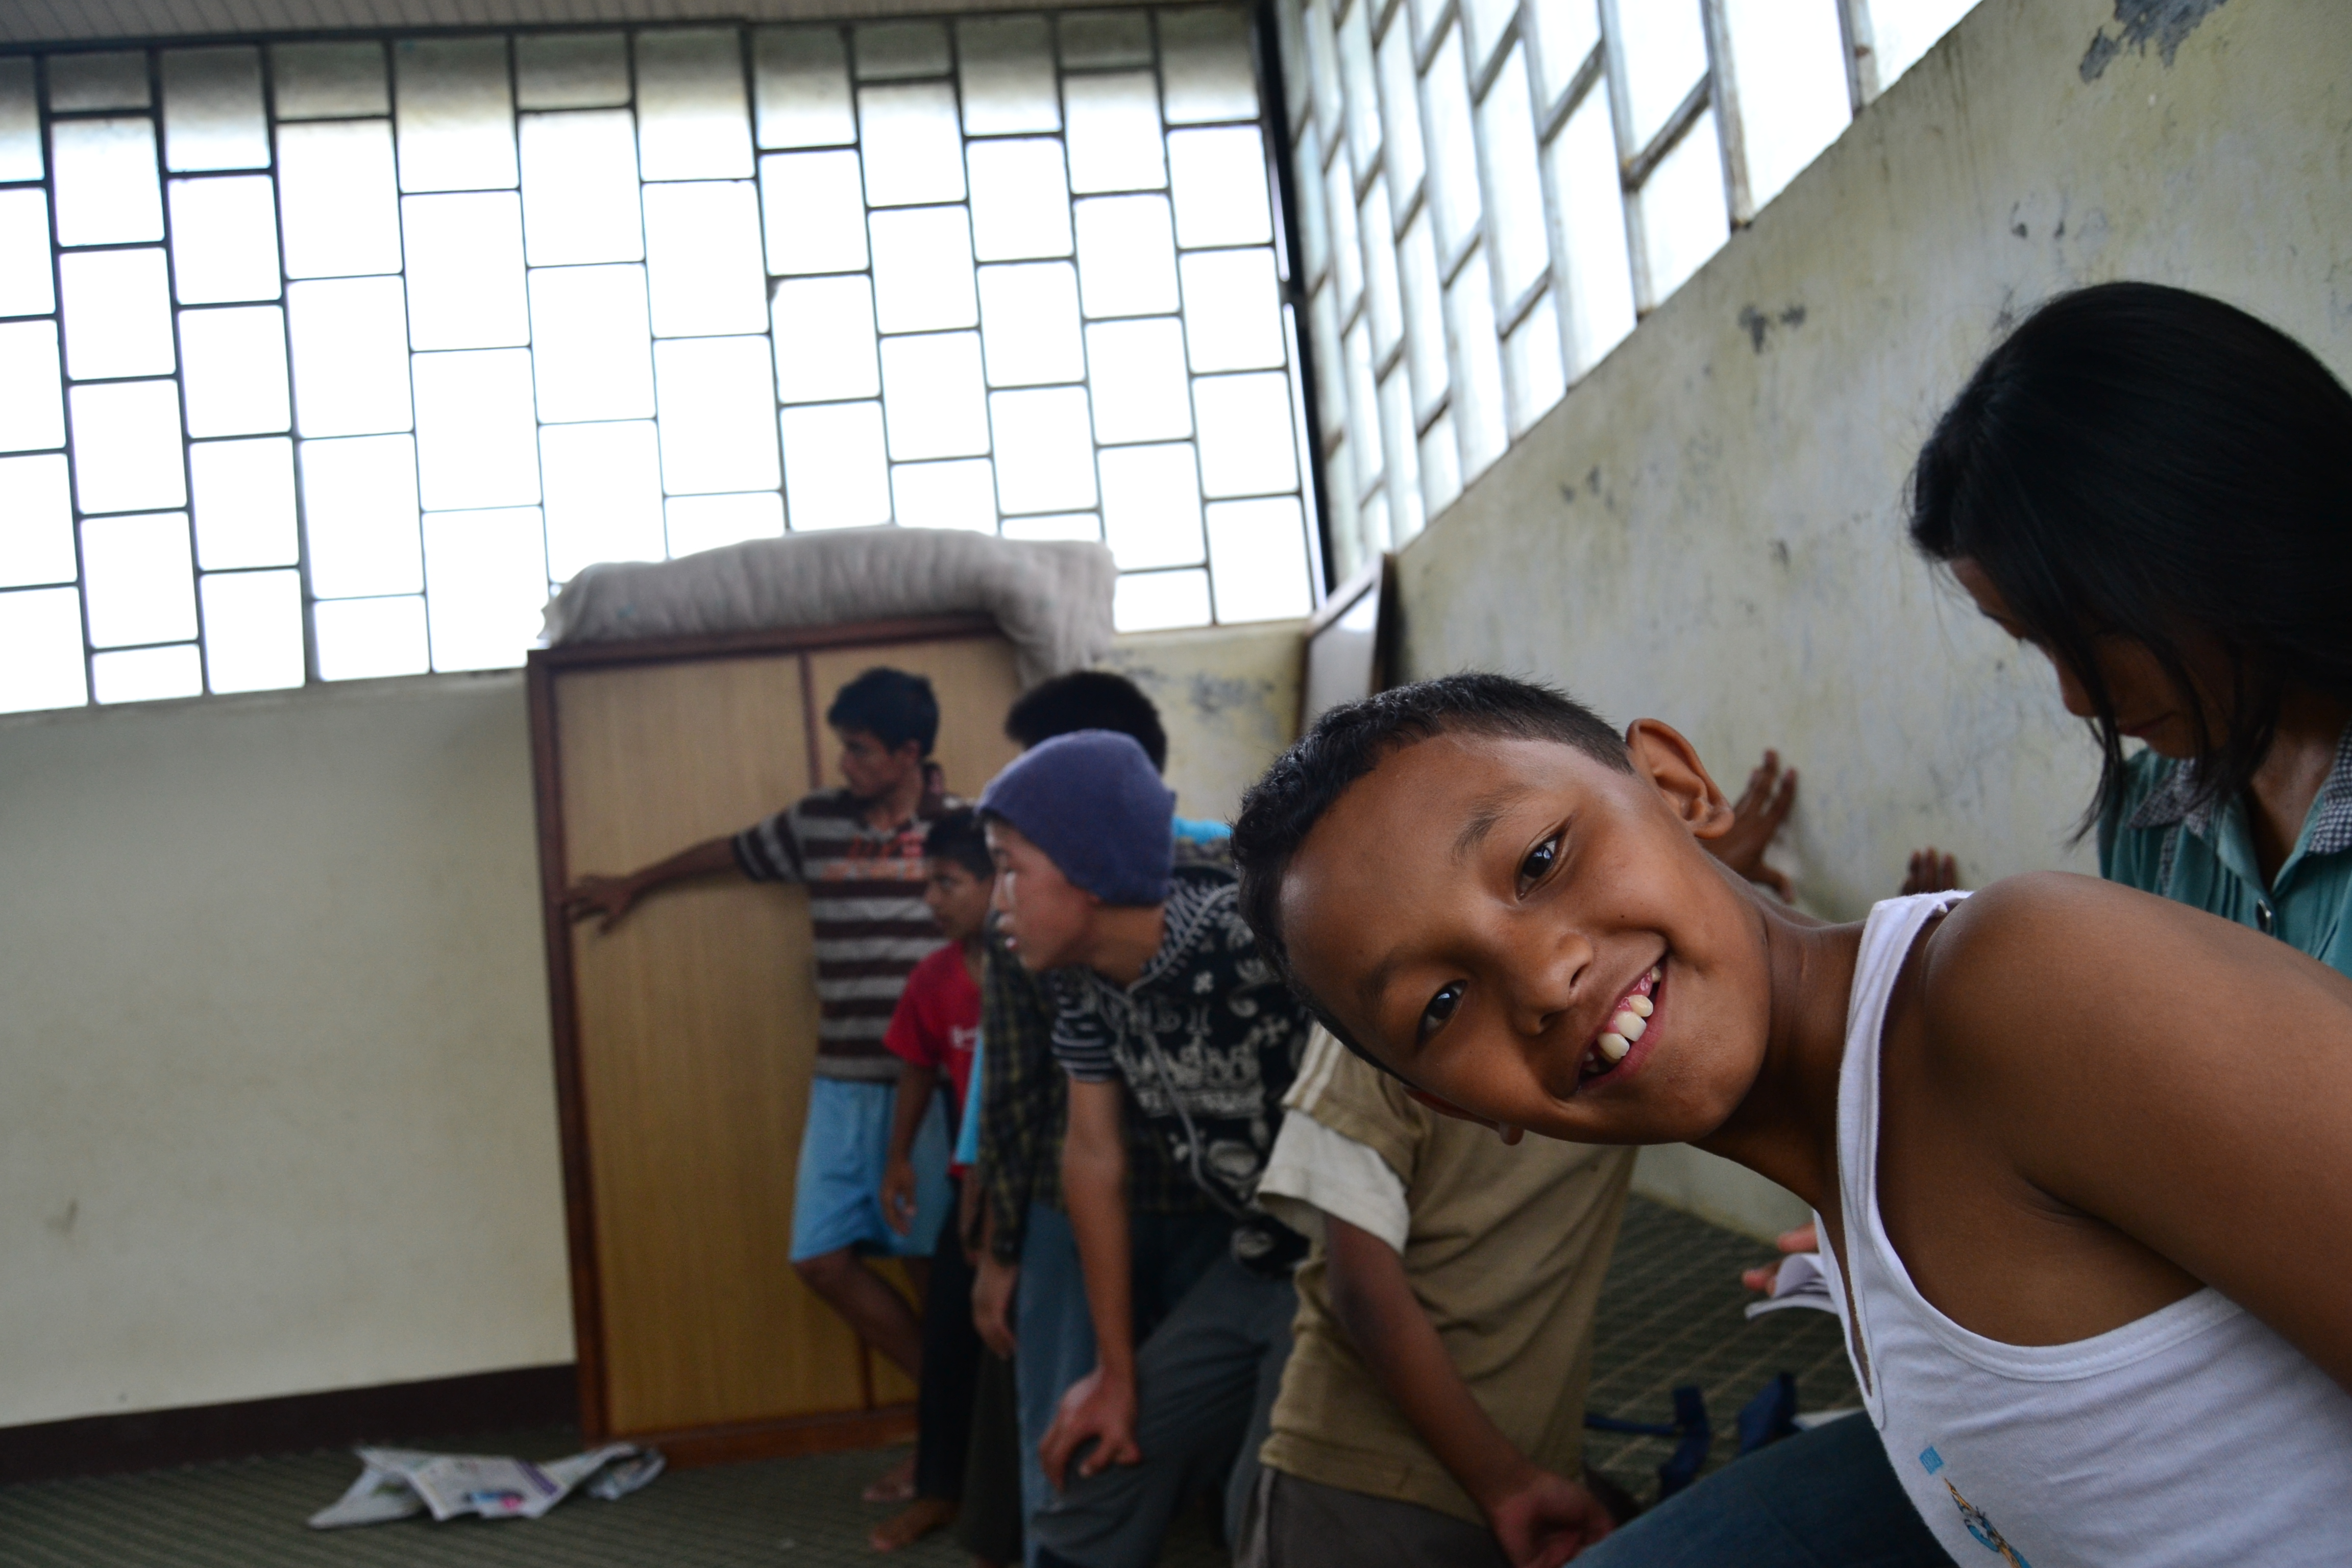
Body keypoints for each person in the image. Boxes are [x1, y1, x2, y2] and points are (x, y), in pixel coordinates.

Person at [1230, 673, 2352, 1566]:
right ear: (1448, 1104)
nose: (1542, 979)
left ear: (1678, 789)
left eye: (1538, 860)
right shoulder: (1865, 1179)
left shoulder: (2022, 979)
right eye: (1438, 1005)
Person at [566, 666, 957, 1503]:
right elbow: (733, 851)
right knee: (820, 1260)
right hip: (840, 1083)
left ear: (908, 754)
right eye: (843, 747)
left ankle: (949, 1446)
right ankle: (953, 1419)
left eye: (861, 750)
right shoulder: (816, 822)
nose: (845, 763)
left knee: (934, 1269)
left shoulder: (957, 829)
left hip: (929, 1092)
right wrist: (635, 881)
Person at [979, 731, 1314, 1568]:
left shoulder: (1261, 937)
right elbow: (1093, 1160)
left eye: (1010, 868)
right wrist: (1114, 1374)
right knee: (1097, 1469)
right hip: (1256, 1257)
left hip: (1352, 1257)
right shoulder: (1081, 980)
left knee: (1262, 1511)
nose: (996, 901)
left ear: (1088, 872)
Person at [962, 671, 1235, 1564]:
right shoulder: (1034, 923)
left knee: (1206, 1417)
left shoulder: (1240, 914)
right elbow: (1042, 1107)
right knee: (1081, 1426)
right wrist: (1007, 1247)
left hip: (1223, 1210)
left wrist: (1003, 1248)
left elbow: (1012, 1091)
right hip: (1083, 1199)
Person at [1241, 1026, 1637, 1568]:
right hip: (1364, 1480)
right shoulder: (1356, 1017)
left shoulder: (1615, 1013)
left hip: (1530, 1471)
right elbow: (1362, 1290)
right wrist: (1506, 1483)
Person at [872, 809, 993, 1553]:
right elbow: (917, 1066)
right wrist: (897, 1158)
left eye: (947, 883)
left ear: (995, 882)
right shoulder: (934, 978)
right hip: (965, 1194)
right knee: (948, 1343)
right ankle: (940, 1492)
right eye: (928, 883)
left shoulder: (1034, 966)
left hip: (1040, 1193)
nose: (931, 900)